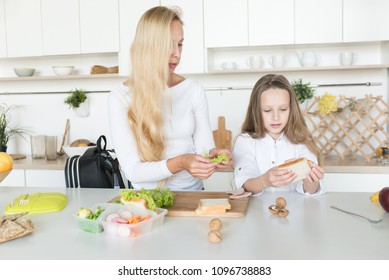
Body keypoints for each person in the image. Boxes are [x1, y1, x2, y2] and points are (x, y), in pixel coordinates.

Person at [108, 6, 232, 190]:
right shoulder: (120, 98)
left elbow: (204, 148)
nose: (177, 53)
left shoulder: (193, 89)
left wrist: (213, 156)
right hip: (148, 204)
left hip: (193, 196)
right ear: (149, 47)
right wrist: (181, 162)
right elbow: (133, 171)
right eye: (169, 45)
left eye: (180, 44)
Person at [233, 74, 325, 195]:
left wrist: (311, 179)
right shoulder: (245, 141)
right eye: (267, 110)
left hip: (295, 212)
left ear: (291, 109)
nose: (276, 117)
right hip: (257, 213)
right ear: (256, 111)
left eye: (283, 109)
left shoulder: (302, 141)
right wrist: (265, 180)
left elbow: (311, 190)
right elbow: (245, 184)